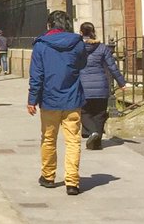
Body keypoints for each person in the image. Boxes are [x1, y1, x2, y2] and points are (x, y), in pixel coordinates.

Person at [27, 10, 87, 195]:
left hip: (49, 99)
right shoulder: (77, 43)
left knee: (48, 139)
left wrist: (32, 99)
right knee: (73, 141)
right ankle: (72, 181)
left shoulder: (41, 45)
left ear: (49, 25)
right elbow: (82, 64)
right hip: (72, 98)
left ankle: (48, 176)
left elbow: (37, 75)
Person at [79, 22, 125, 150]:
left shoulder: (77, 48)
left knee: (84, 112)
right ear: (93, 32)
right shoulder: (102, 47)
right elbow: (112, 67)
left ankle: (93, 132)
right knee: (100, 114)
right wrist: (121, 82)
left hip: (83, 86)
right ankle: (97, 143)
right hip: (101, 85)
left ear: (81, 32)